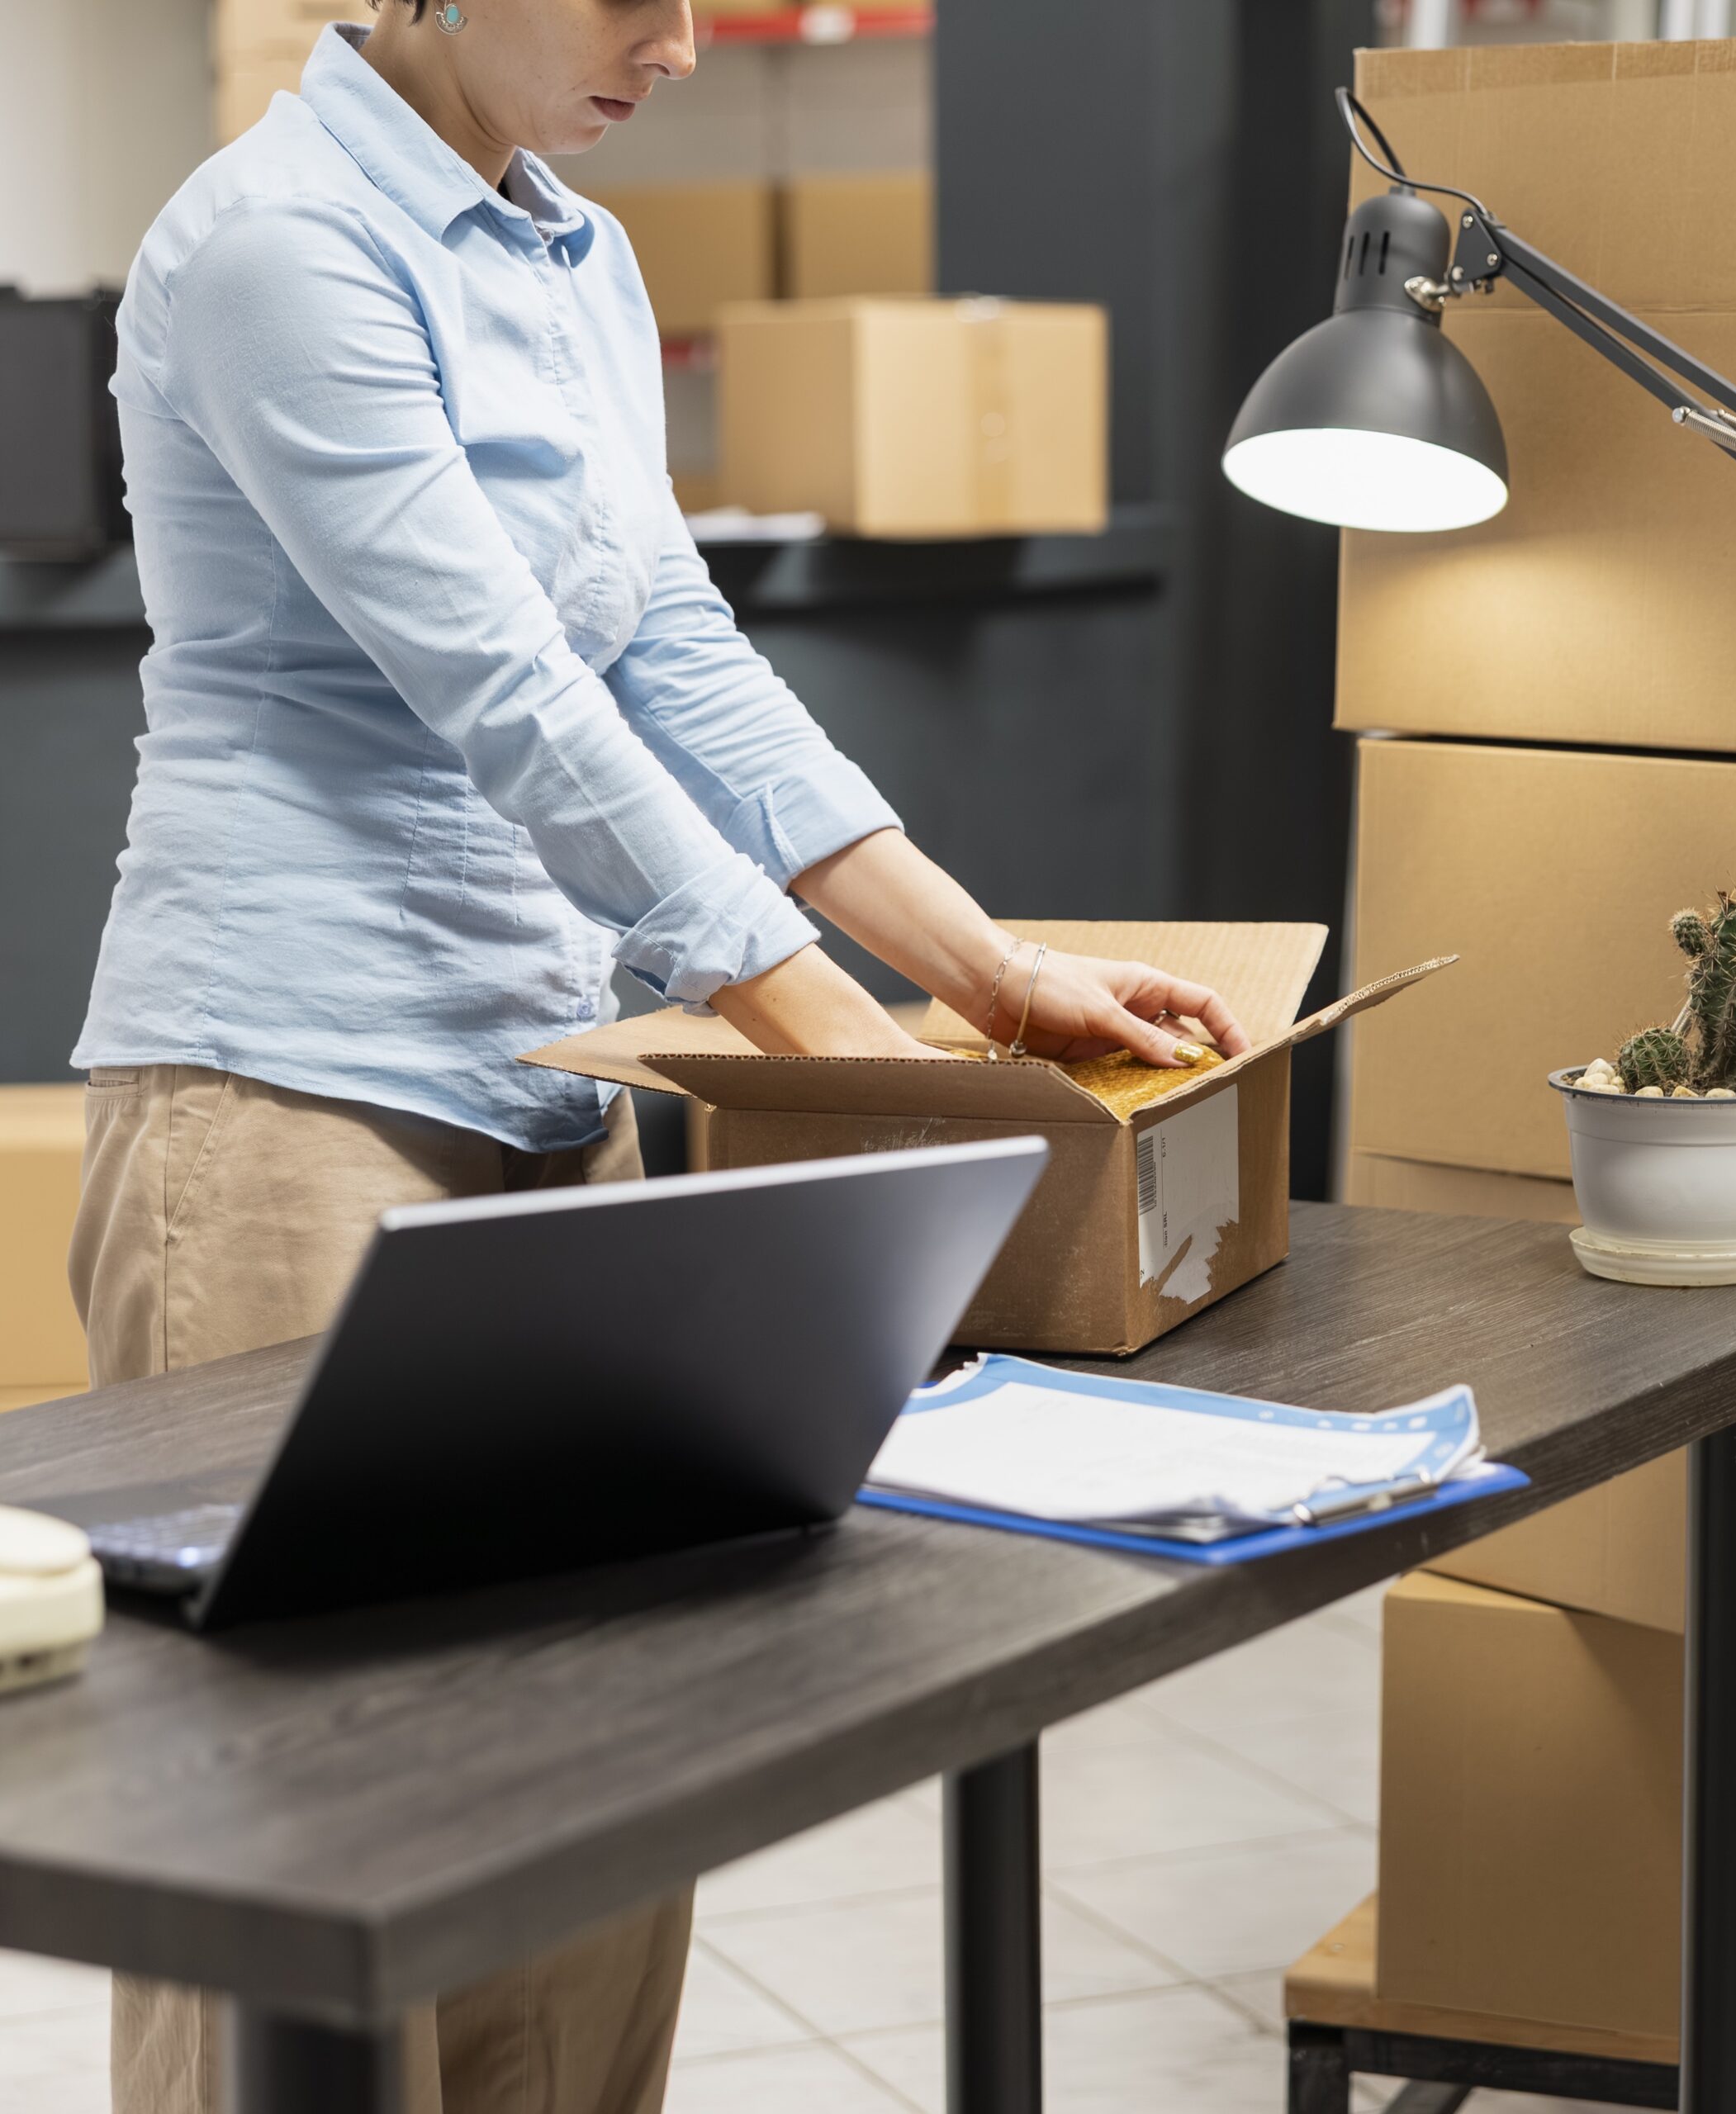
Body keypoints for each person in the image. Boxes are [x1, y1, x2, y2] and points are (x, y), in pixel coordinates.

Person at [65, 3, 1249, 2109]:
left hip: (558, 1074)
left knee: (602, 1791)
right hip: (295, 1092)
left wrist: (982, 976)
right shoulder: (273, 241)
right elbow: (499, 681)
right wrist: (823, 1036)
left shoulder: (576, 258)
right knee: (306, 1834)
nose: (683, 48)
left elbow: (674, 651)